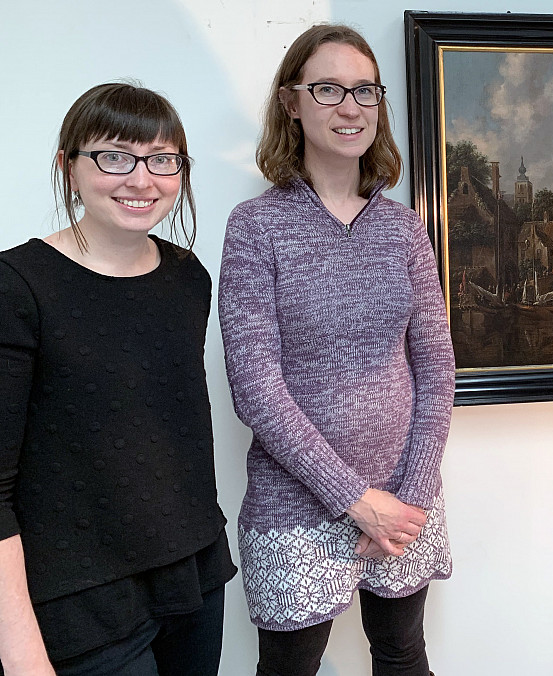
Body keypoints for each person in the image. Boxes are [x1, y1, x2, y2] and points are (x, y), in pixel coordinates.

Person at [218, 23, 455, 676]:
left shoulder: (404, 228)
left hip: (407, 501)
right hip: (296, 506)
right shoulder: (256, 227)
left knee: (404, 656)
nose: (349, 107)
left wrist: (410, 494)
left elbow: (436, 368)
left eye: (364, 91)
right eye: (327, 89)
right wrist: (357, 500)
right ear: (292, 103)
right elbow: (255, 387)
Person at [0, 82, 236, 676]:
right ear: (68, 167)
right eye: (114, 156)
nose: (141, 179)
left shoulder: (187, 277)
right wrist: (20, 650)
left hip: (194, 578)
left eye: (162, 160)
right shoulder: (16, 286)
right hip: (76, 601)